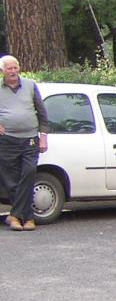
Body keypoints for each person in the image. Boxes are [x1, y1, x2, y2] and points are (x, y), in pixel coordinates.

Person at [0, 55, 49, 231]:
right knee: (11, 180)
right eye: (9, 68)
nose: (13, 71)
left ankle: (14, 215)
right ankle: (27, 218)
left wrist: (43, 136)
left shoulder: (30, 85)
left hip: (30, 139)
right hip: (7, 140)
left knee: (28, 173)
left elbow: (42, 112)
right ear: (2, 71)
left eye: (15, 67)